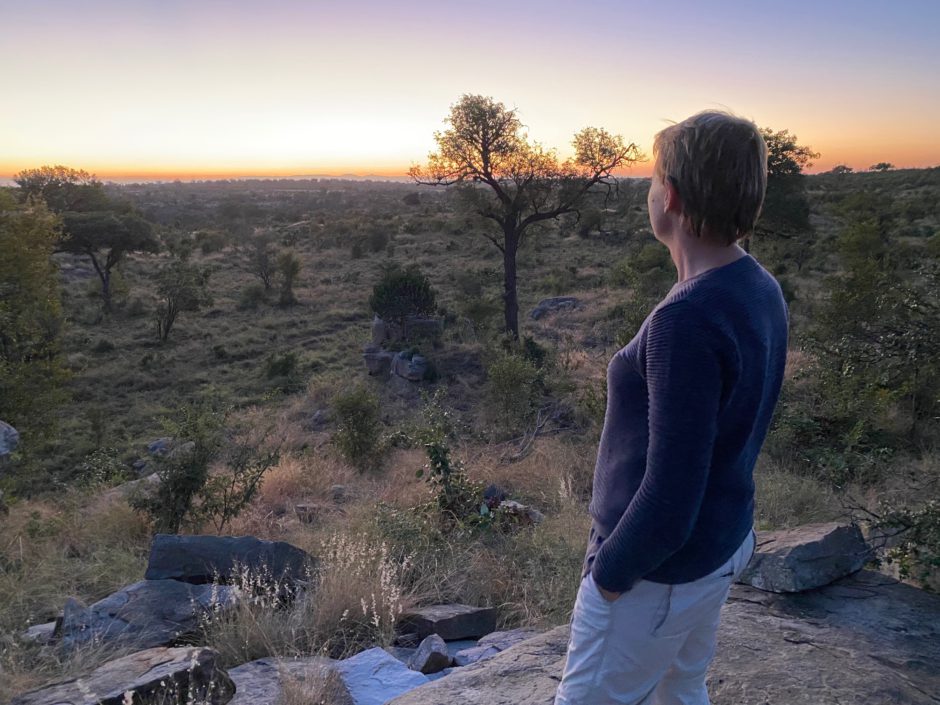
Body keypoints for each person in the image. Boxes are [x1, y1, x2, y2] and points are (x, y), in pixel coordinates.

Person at [553, 111, 790, 705]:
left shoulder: (685, 321)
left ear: (674, 197)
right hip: (720, 544)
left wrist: (608, 578)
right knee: (679, 691)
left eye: (654, 176)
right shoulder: (756, 285)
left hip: (657, 574)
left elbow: (669, 493)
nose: (649, 189)